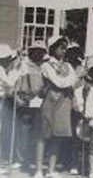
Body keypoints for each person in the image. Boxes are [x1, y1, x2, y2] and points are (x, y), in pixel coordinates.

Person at [38, 36, 77, 178]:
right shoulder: (46, 65)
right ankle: (38, 169)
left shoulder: (68, 66)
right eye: (61, 48)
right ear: (53, 49)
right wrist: (65, 81)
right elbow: (58, 82)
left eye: (65, 48)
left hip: (64, 103)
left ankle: (51, 169)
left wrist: (65, 80)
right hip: (50, 101)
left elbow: (72, 79)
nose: (63, 51)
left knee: (58, 135)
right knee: (44, 134)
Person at [14, 41, 46, 172]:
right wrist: (17, 98)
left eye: (41, 51)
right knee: (24, 132)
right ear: (32, 51)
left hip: (40, 103)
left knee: (38, 133)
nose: (39, 53)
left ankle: (33, 158)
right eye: (36, 50)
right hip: (26, 101)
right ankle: (22, 159)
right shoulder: (24, 66)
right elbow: (16, 84)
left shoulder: (44, 67)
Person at [0, 44, 19, 173]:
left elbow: (14, 85)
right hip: (1, 100)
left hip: (8, 103)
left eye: (9, 58)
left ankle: (6, 159)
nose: (8, 61)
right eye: (5, 58)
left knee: (7, 130)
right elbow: (6, 87)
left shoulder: (13, 71)